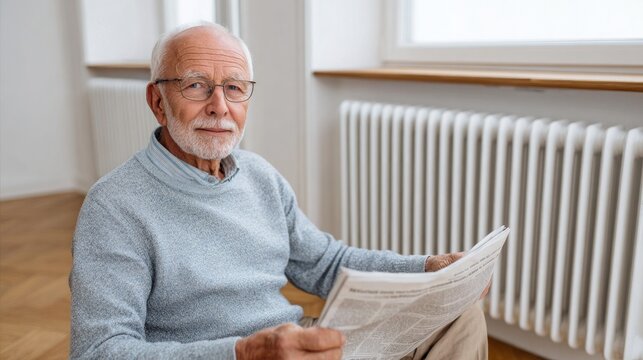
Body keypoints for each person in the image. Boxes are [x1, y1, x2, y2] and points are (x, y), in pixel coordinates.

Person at [70, 21, 488, 360]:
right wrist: (243, 353)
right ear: (158, 101)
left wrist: (428, 269)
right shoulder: (114, 206)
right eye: (196, 86)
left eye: (234, 87)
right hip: (227, 356)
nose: (220, 106)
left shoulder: (259, 175)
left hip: (295, 344)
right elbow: (98, 351)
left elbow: (326, 264)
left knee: (457, 314)